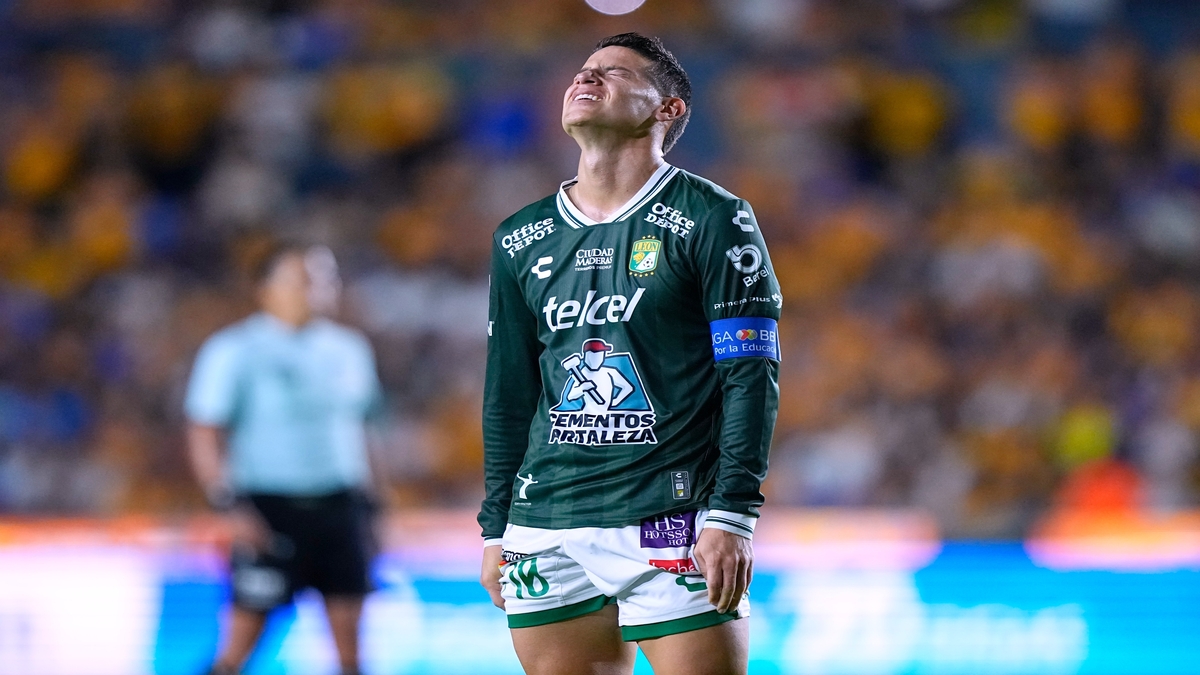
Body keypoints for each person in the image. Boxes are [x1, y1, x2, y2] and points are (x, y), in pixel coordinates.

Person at [479, 33, 782, 675]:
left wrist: (733, 514)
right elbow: (508, 393)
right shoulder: (519, 237)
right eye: (584, 69)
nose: (587, 78)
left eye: (615, 73)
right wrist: (495, 526)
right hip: (546, 520)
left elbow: (750, 377)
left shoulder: (715, 218)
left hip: (669, 518)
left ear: (666, 110)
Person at [185, 243, 384, 675]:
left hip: (339, 507)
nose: (317, 289)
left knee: (351, 652)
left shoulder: (350, 349)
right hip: (269, 510)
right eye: (303, 279)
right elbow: (205, 432)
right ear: (266, 289)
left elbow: (362, 431)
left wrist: (373, 508)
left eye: (325, 279)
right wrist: (228, 506)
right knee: (240, 646)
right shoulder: (235, 349)